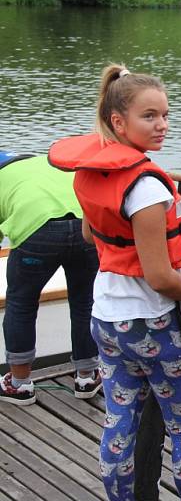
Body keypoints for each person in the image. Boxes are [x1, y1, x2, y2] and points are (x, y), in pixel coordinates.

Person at [48, 64, 181, 501]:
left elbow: (91, 236)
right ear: (118, 122)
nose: (162, 124)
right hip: (154, 322)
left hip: (106, 317)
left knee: (118, 422)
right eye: (150, 116)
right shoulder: (146, 187)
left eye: (165, 115)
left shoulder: (89, 172)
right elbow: (160, 275)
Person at [0, 152, 101, 405]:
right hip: (84, 226)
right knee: (85, 302)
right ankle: (87, 377)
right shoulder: (49, 162)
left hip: (37, 229)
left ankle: (19, 384)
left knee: (21, 303)